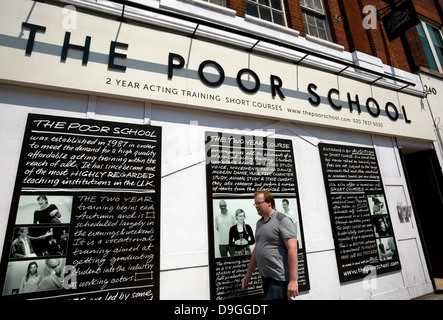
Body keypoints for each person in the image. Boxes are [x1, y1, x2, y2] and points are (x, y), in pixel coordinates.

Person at [242, 190, 299, 300]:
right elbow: (257, 250)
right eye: (255, 204)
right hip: (266, 279)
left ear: (269, 202)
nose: (256, 206)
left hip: (278, 280)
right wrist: (248, 275)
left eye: (259, 203)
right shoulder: (259, 223)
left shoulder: (282, 220)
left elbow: (293, 249)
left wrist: (293, 280)